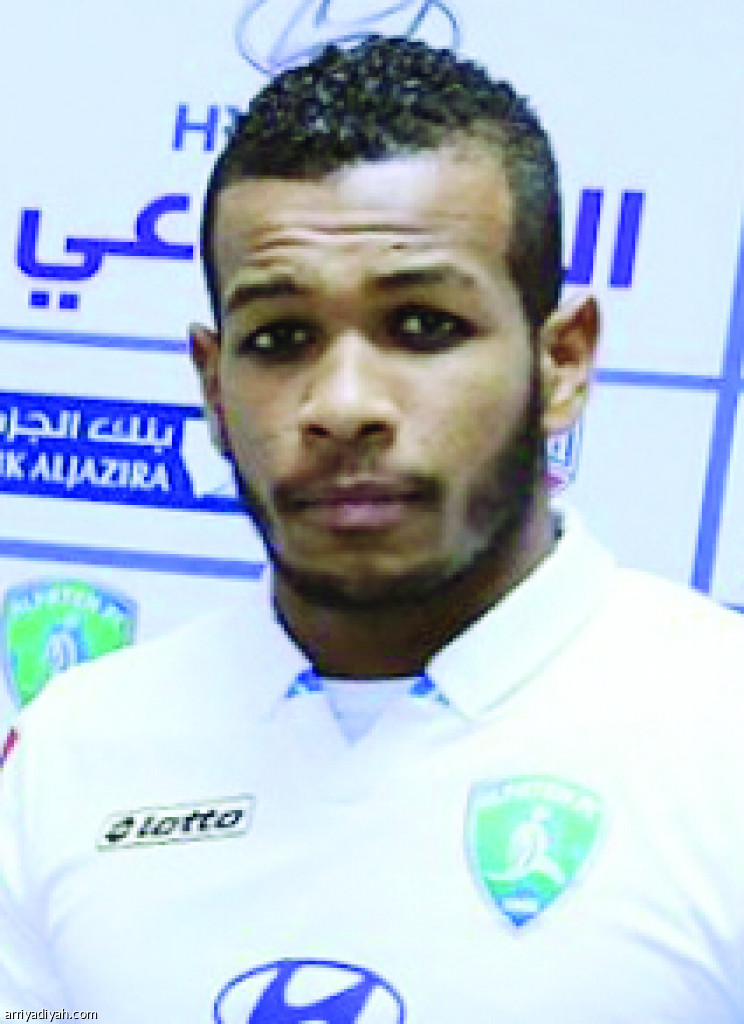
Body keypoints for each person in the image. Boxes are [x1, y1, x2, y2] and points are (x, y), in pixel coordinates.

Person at [1, 35, 743, 1024]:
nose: (344, 404)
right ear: (214, 386)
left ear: (562, 361)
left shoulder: (720, 733)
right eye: (280, 338)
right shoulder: (75, 747)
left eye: (423, 326)